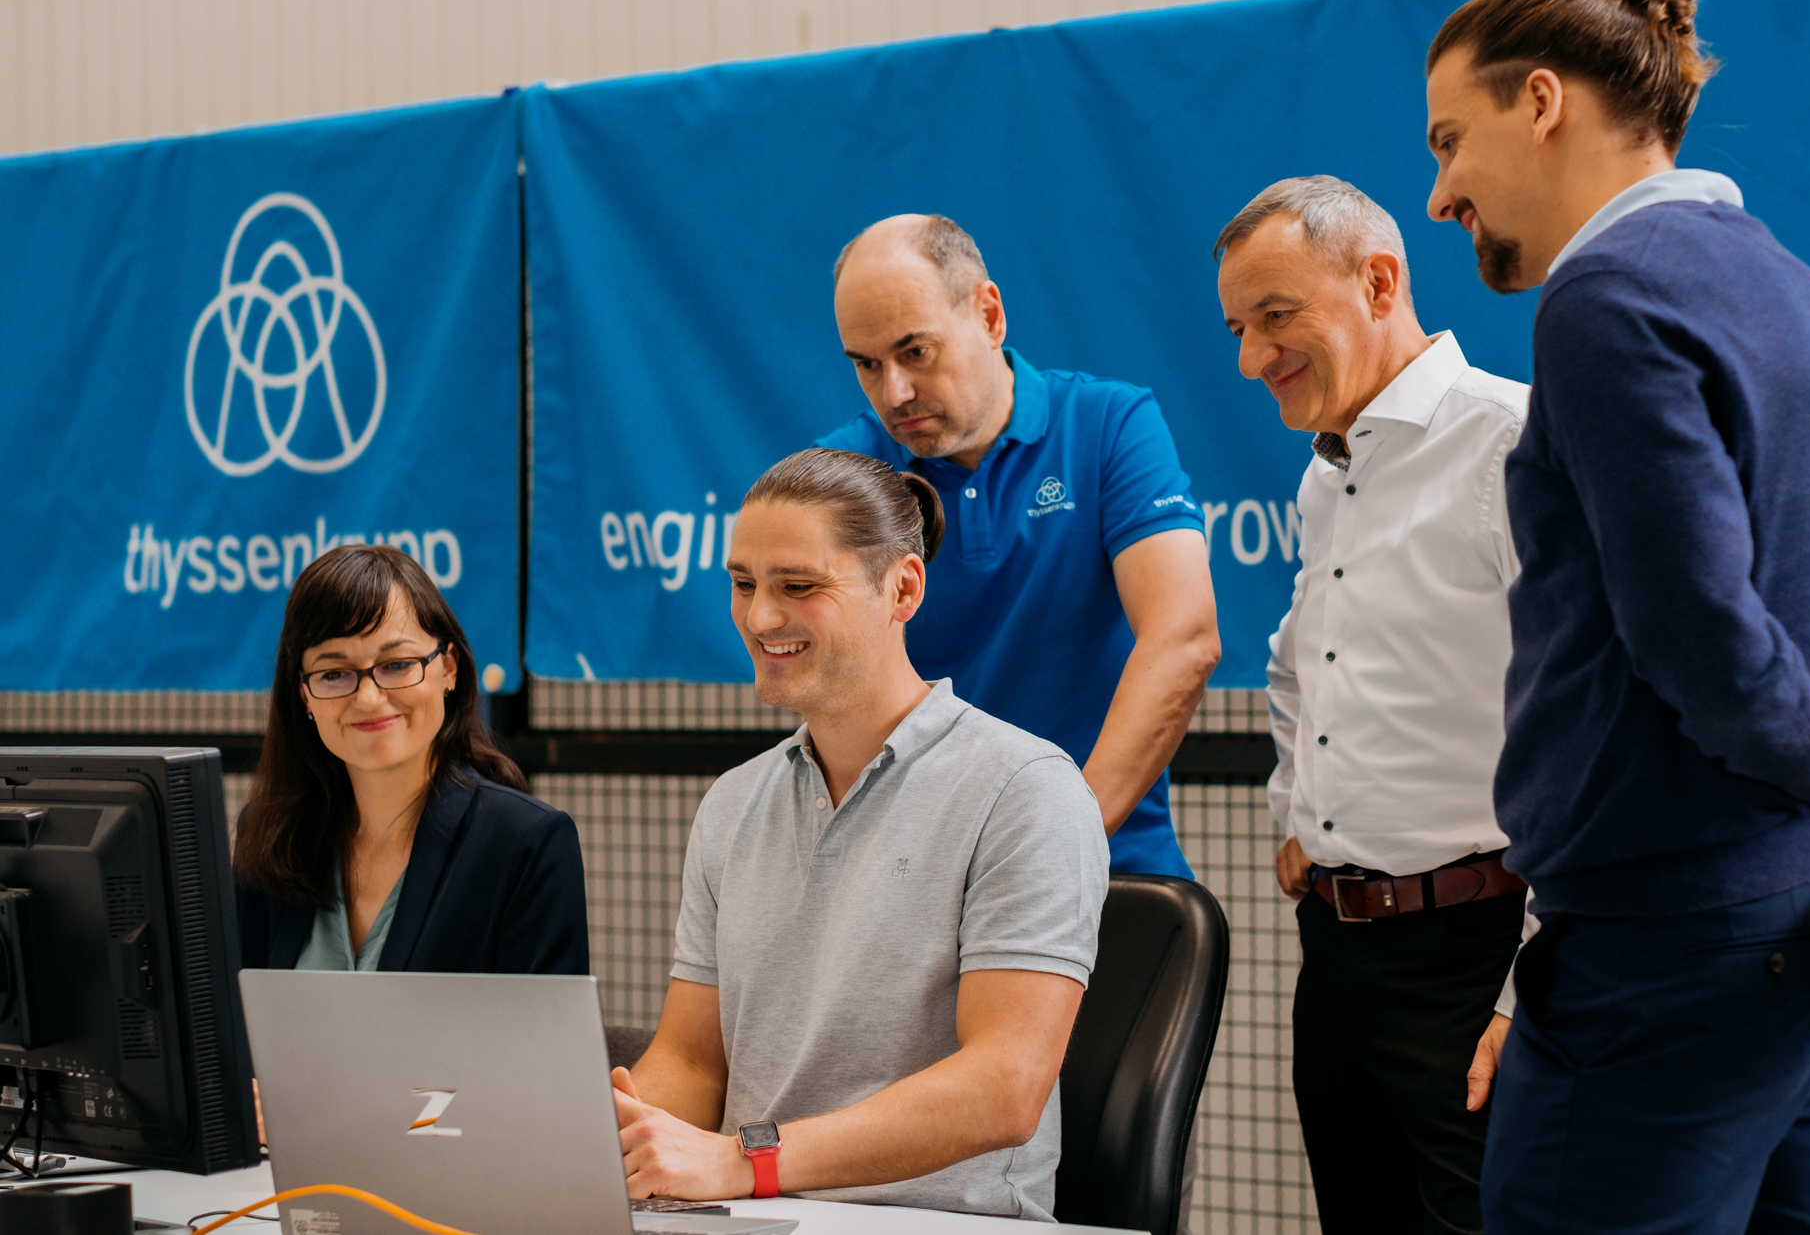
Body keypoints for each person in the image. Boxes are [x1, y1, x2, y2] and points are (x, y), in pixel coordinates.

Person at [1423, 0, 1810, 1233]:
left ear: (1542, 102)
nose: (1440, 190)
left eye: (1450, 139)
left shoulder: (1604, 300)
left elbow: (1704, 643)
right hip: (1808, 957)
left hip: (1665, 966)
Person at [611, 448, 1108, 1217]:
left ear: (902, 587)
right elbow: (689, 1055)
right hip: (757, 1207)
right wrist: (616, 1137)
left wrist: (745, 1161)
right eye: (743, 584)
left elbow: (1004, 1088)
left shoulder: (1026, 789)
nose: (760, 616)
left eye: (798, 586)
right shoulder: (733, 803)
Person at [1215, 174, 1530, 1233]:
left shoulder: (1510, 442)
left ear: (1379, 280)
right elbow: (1300, 657)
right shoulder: (1326, 474)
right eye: (1236, 328)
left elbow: (1594, 725)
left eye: (1275, 316)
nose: (1251, 358)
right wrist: (1297, 801)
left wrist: (1529, 983)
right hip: (1339, 957)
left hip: (1475, 952)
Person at [815, 214, 1220, 879]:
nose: (895, 392)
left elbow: (1183, 635)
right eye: (867, 364)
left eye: (915, 351)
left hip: (1109, 868)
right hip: (915, 884)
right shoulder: (843, 472)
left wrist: (1064, 839)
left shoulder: (1109, 423)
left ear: (989, 313)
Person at [234, 544, 588, 976]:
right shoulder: (270, 835)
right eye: (333, 674)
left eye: (398, 664)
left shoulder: (526, 844)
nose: (367, 698)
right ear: (303, 694)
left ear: (449, 669)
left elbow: (546, 1040)